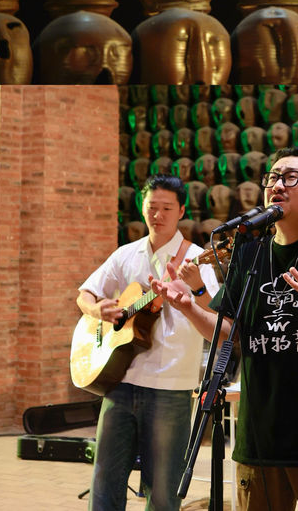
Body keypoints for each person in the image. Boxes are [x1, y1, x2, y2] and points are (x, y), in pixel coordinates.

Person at [152, 146, 298, 511]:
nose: (277, 184)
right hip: (259, 439)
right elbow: (231, 336)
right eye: (272, 177)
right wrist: (190, 308)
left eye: (291, 177)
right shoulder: (250, 252)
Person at [76, 174, 219, 511]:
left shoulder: (196, 259)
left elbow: (216, 319)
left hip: (171, 386)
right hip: (120, 381)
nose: (158, 215)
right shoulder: (126, 254)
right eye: (152, 207)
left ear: (182, 210)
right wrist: (97, 310)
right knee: (105, 483)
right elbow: (84, 294)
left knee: (163, 490)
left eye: (167, 208)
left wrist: (195, 290)